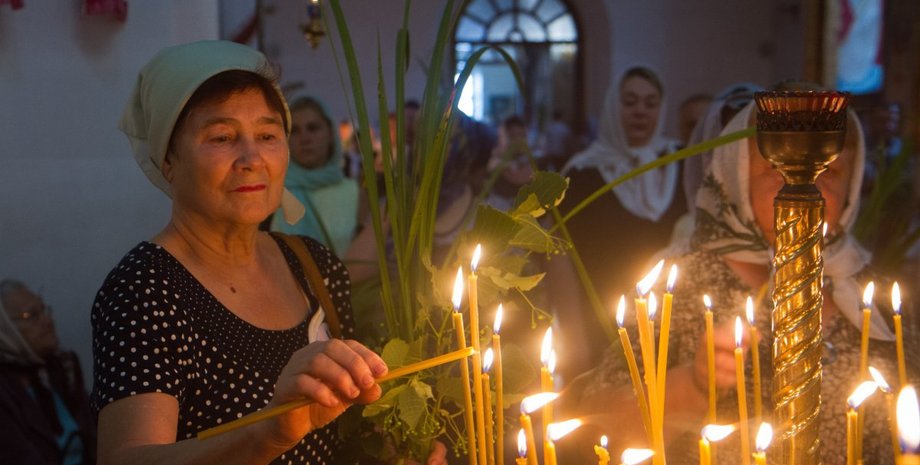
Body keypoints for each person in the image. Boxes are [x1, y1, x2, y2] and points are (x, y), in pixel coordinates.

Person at [563, 96, 915, 465]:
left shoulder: (873, 293)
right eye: (776, 169)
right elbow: (595, 430)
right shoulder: (679, 286)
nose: (806, 185)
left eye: (830, 171)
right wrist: (696, 382)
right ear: (738, 174)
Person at [92, 40, 392, 465]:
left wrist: (398, 445)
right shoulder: (145, 291)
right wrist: (268, 432)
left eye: (268, 135)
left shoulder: (312, 264)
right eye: (222, 137)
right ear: (168, 160)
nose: (252, 158)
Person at [552, 65, 686, 377]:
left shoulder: (681, 162)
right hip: (600, 319)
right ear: (614, 107)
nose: (640, 111)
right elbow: (560, 256)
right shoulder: (583, 172)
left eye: (650, 104)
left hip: (673, 323)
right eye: (630, 102)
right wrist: (574, 339)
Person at [0, 278, 96, 465]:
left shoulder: (63, 370)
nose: (47, 320)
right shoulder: (5, 393)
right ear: (5, 331)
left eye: (44, 310)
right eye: (31, 315)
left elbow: (96, 439)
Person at [270, 95, 360, 257]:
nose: (305, 138)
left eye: (313, 128)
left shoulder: (356, 193)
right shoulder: (271, 196)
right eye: (295, 131)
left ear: (331, 134)